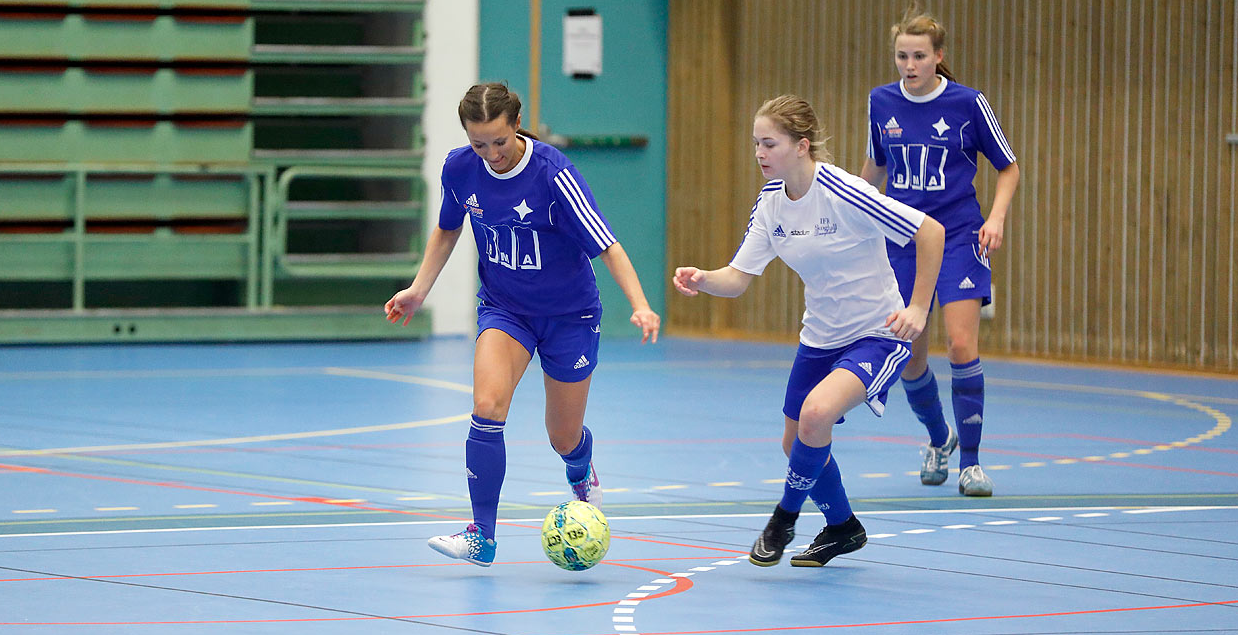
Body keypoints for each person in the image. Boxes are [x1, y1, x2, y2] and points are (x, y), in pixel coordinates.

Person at [385, 82, 661, 566]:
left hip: (569, 316)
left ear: (516, 124)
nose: (490, 153)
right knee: (487, 406)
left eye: (498, 141)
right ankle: (481, 536)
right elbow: (448, 227)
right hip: (505, 308)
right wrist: (418, 288)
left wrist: (639, 303)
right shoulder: (460, 169)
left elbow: (607, 244)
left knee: (563, 435)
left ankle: (581, 472)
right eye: (478, 143)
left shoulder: (554, 175)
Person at [673, 95, 943, 567]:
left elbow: (931, 231)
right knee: (794, 440)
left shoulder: (844, 191)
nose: (759, 152)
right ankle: (843, 527)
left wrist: (919, 307)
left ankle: (783, 518)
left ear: (802, 146)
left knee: (816, 414)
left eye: (769, 143)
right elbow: (738, 279)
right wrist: (704, 279)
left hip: (878, 332)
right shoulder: (772, 201)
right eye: (756, 143)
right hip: (819, 335)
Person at [860, 7, 1020, 497]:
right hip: (902, 242)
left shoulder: (968, 103)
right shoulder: (881, 102)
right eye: (902, 55)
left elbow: (1008, 167)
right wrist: (851, 222)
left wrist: (995, 218)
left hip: (958, 238)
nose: (909, 64)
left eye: (919, 56)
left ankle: (971, 462)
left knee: (961, 346)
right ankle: (938, 438)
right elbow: (872, 172)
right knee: (908, 355)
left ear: (938, 57)